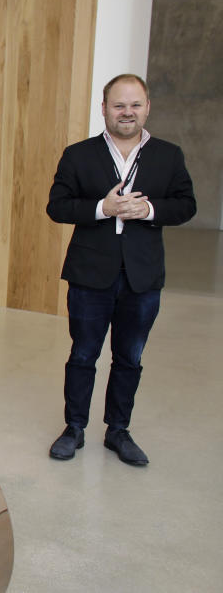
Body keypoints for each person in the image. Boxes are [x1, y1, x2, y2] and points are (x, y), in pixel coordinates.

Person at [46, 74, 196, 466]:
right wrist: (102, 208)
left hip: (143, 277)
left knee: (130, 357)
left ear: (147, 107)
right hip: (89, 275)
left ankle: (118, 430)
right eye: (118, 105)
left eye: (134, 104)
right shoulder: (78, 154)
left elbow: (186, 205)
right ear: (104, 109)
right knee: (83, 354)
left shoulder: (169, 155)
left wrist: (148, 210)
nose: (126, 112)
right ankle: (74, 427)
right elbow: (57, 206)